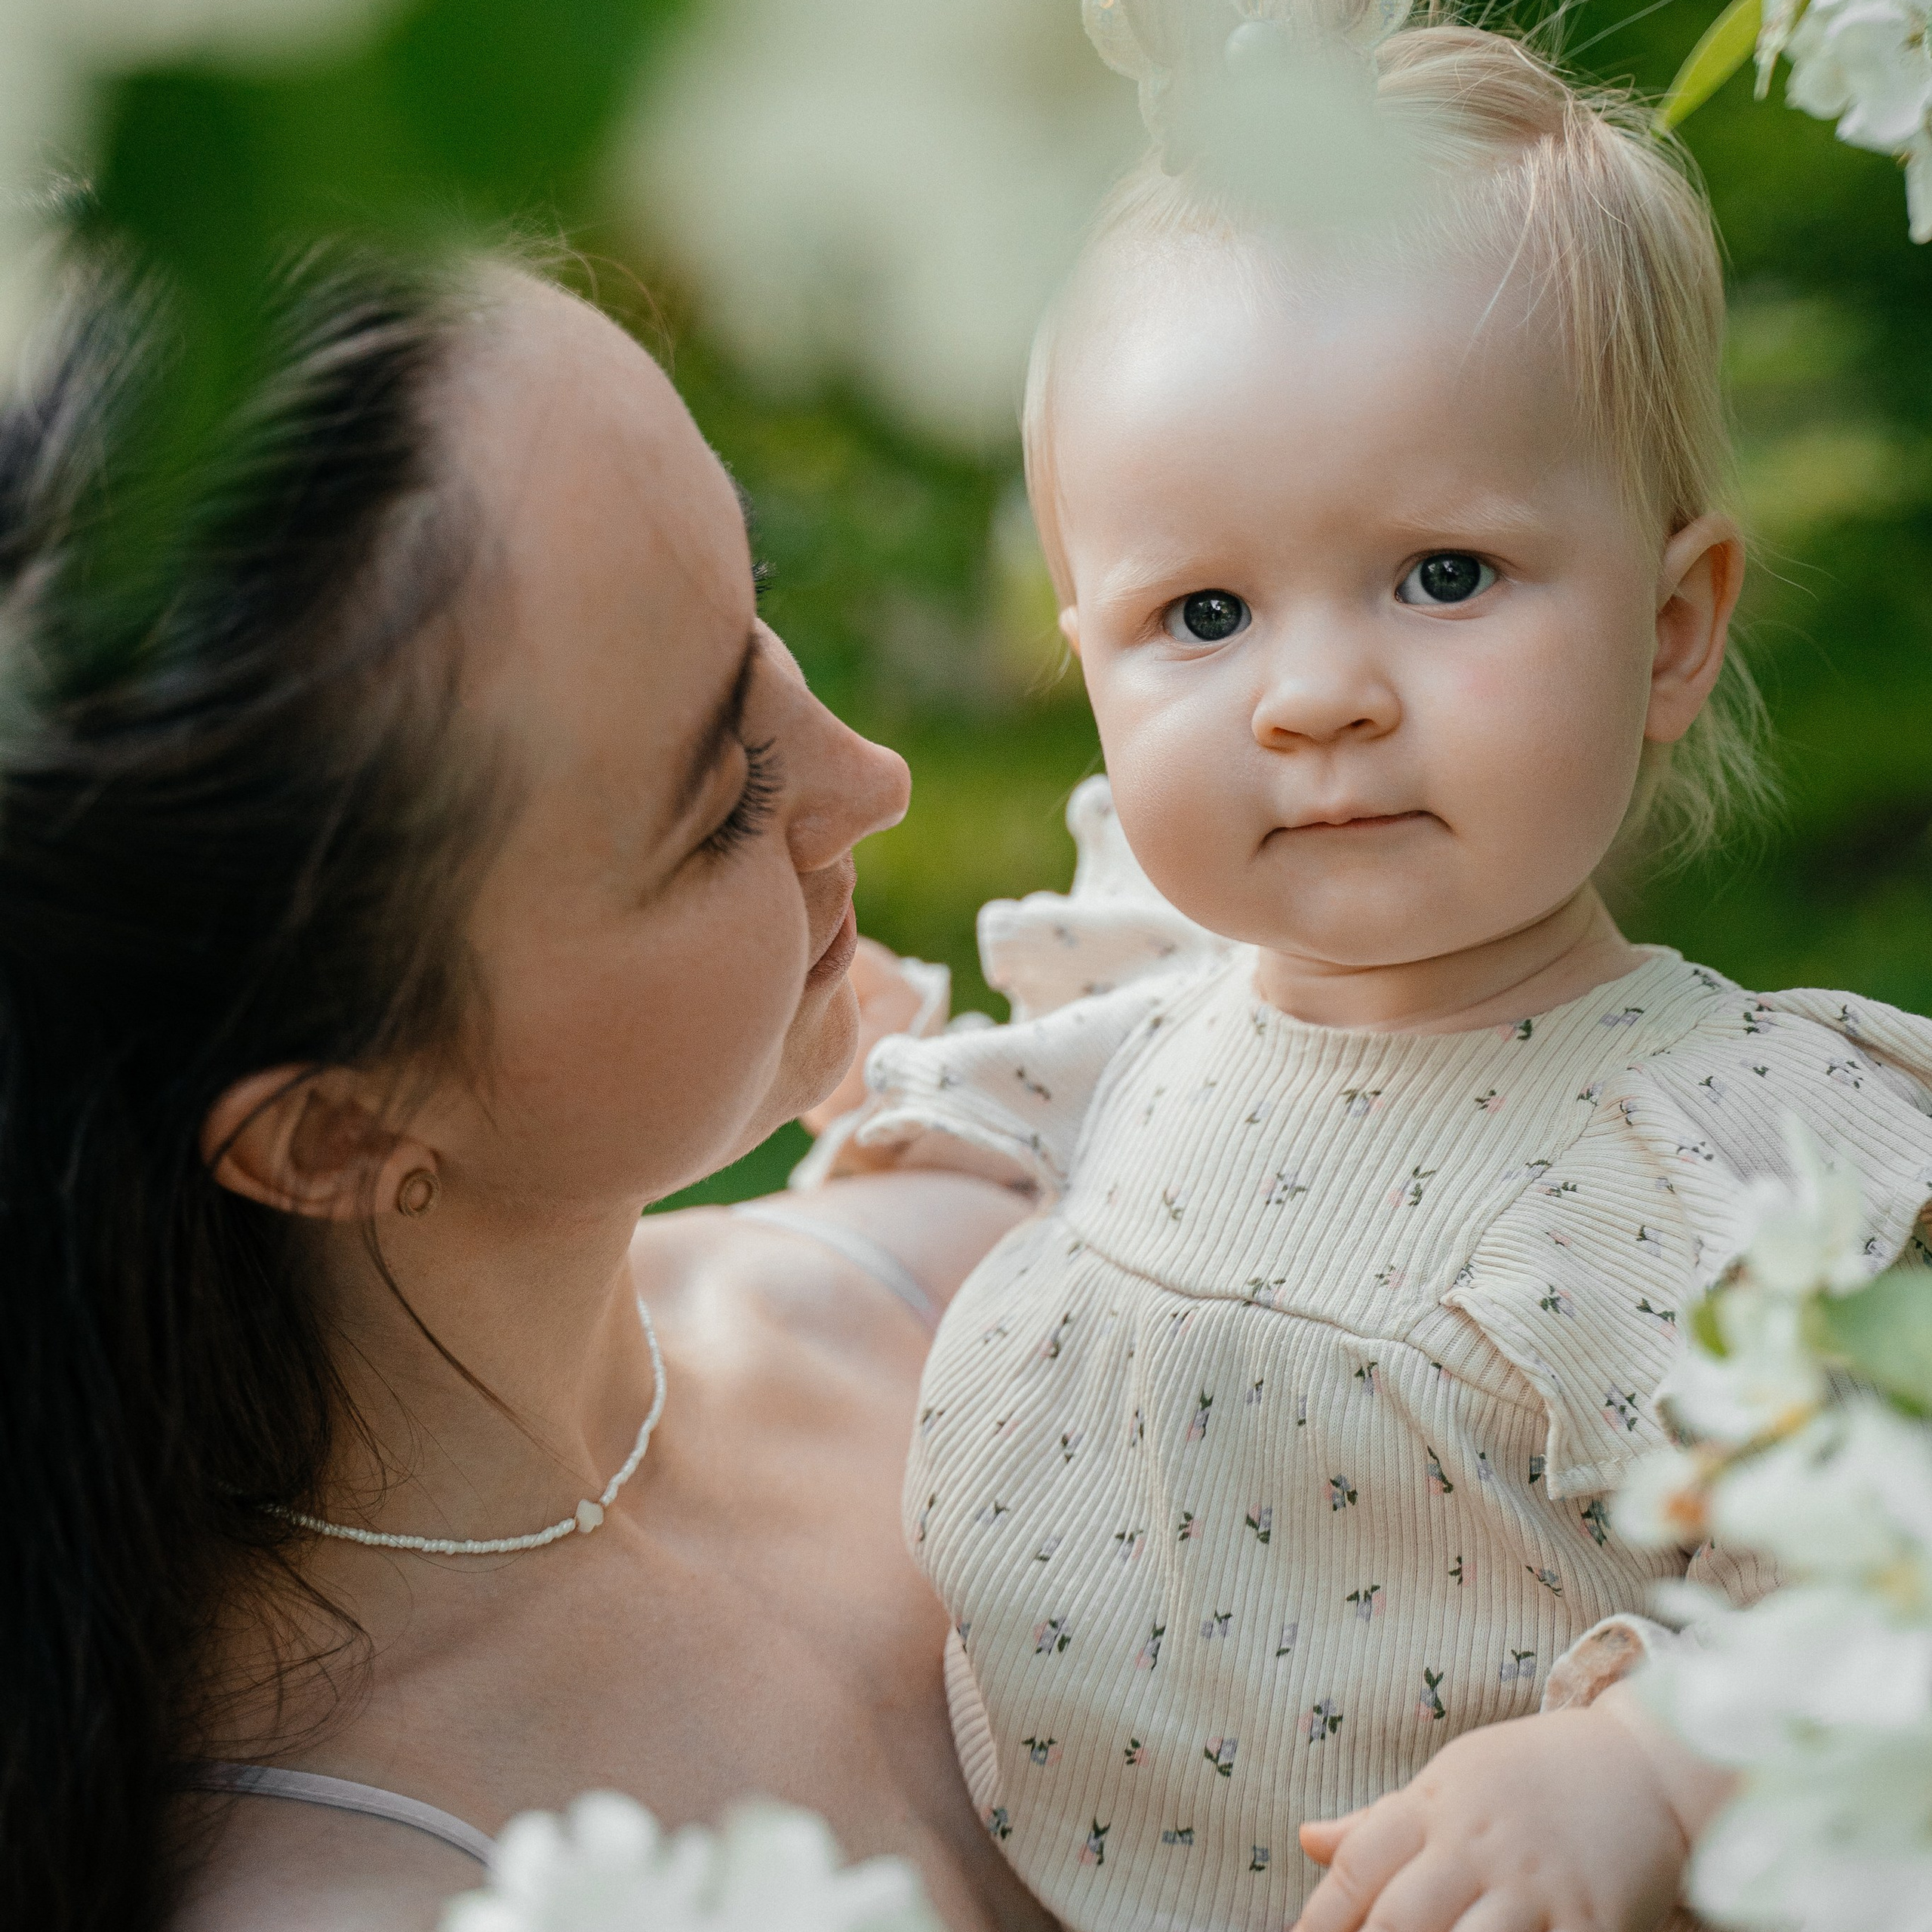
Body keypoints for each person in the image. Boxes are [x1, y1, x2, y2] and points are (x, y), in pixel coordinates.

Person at [804, 3, 1932, 1928]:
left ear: (1670, 631)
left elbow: (1891, 1581)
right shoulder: (1149, 1033)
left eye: (1439, 576)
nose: (1315, 696)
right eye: (1204, 612)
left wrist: (1649, 1769)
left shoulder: (1715, 1172)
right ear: (1082, 657)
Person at [0, 241, 1058, 1932]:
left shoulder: (998, 1260)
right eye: (719, 798)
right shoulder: (372, 1889)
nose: (870, 775)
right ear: (334, 1127)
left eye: (753, 592)